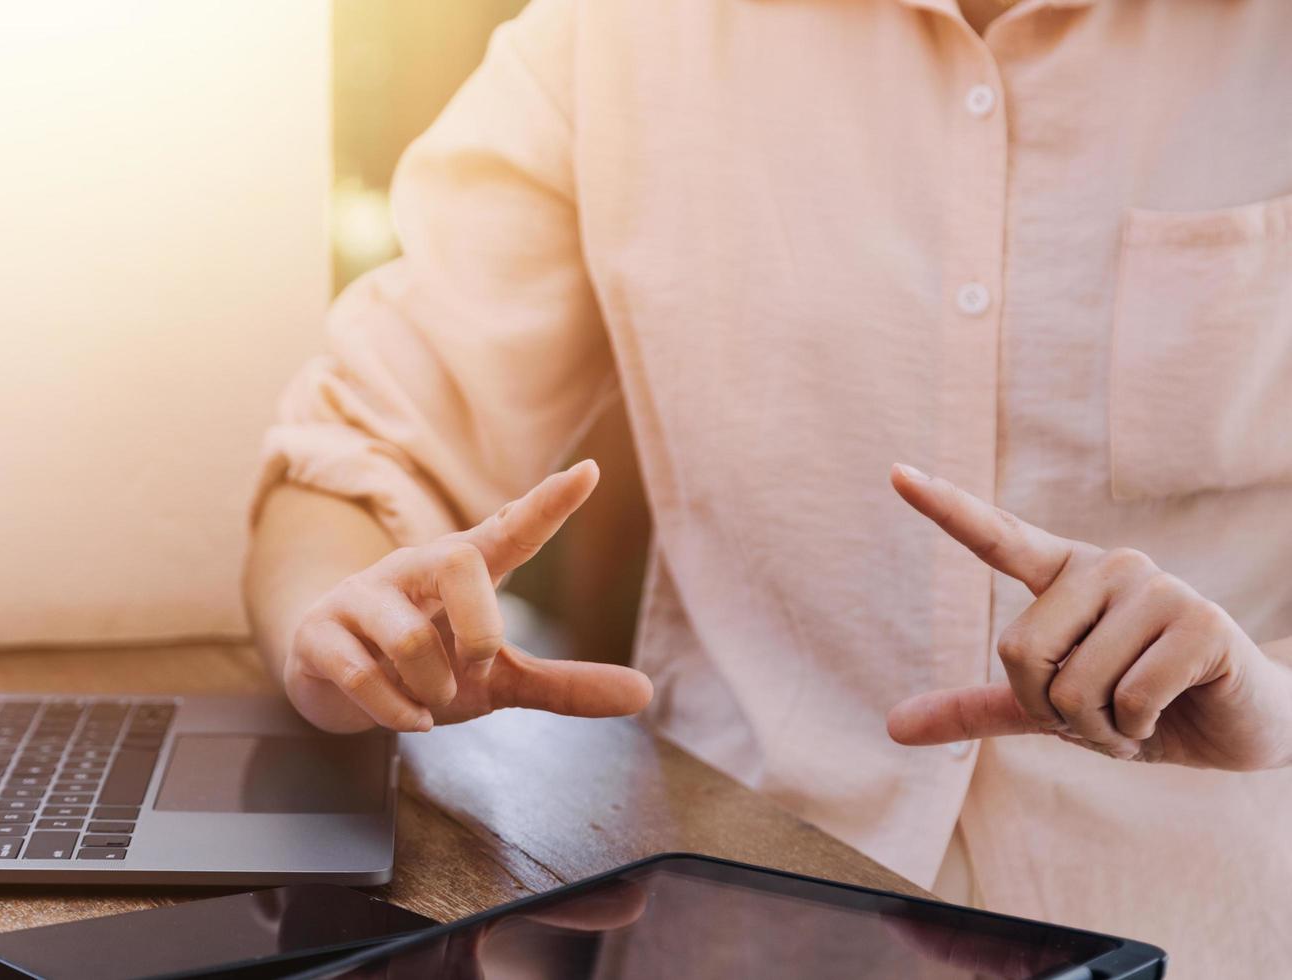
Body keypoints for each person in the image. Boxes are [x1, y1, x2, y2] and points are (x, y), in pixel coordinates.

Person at [243, 0, 1292, 972]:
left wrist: (1275, 703)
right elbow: (358, 445)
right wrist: (348, 625)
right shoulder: (624, 33)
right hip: (730, 938)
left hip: (1216, 933)